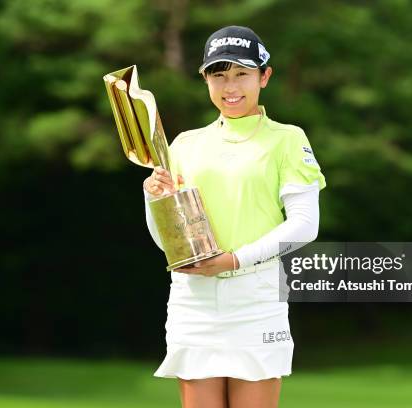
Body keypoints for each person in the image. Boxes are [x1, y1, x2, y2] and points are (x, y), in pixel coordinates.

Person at [143, 25, 326, 408]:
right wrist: (152, 199)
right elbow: (170, 241)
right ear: (205, 79)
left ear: (265, 76)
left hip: (255, 297)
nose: (230, 86)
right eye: (218, 75)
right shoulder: (184, 145)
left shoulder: (287, 139)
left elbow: (305, 225)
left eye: (242, 74)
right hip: (193, 300)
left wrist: (232, 261)